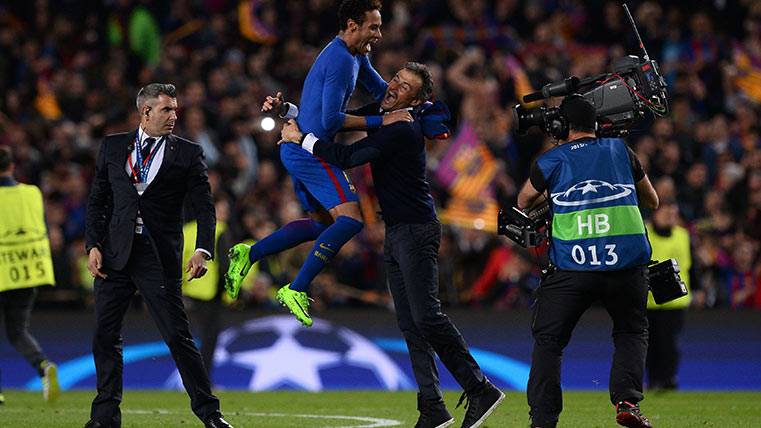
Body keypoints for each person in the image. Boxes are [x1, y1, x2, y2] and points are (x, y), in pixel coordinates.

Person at [280, 62, 504, 428]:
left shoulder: (402, 128)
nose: (394, 87)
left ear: (416, 100)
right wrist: (290, 113)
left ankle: (479, 388)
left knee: (427, 317)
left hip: (416, 232)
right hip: (399, 230)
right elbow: (337, 121)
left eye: (404, 87)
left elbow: (348, 157)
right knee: (411, 324)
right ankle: (432, 406)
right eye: (395, 80)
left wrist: (298, 139)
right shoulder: (386, 117)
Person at [225, 0, 411, 327]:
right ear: (352, 25)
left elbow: (383, 95)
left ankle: (249, 254)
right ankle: (296, 287)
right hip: (309, 152)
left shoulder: (354, 56)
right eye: (374, 26)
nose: (379, 34)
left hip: (301, 147)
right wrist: (387, 122)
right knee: (351, 221)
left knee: (324, 226)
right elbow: (331, 119)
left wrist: (415, 103)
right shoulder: (340, 60)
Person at [84, 83, 233, 428]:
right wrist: (92, 244)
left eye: (176, 110)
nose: (174, 116)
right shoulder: (112, 146)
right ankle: (105, 417)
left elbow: (205, 208)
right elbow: (97, 202)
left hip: (158, 257)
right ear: (146, 112)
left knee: (177, 337)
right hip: (114, 255)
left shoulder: (187, 153)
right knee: (105, 336)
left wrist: (202, 249)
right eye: (167, 110)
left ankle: (210, 413)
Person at [517, 94, 659, 428]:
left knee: (549, 342)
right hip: (626, 265)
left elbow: (523, 201)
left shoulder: (553, 159)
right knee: (631, 331)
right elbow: (652, 200)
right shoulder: (620, 150)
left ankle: (543, 420)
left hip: (572, 267)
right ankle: (627, 402)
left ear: (559, 126)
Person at [0, 146, 60, 405]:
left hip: (2, 272)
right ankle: (43, 366)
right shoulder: (32, 193)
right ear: (11, 166)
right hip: (28, 273)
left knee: (16, 331)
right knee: (17, 332)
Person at [181, 196, 236, 381]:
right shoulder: (220, 230)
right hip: (209, 293)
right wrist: (231, 295)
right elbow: (224, 266)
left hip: (188, 290)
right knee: (209, 338)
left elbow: (176, 261)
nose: (225, 214)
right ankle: (202, 380)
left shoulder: (187, 230)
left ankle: (191, 377)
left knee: (188, 338)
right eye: (222, 210)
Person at [645, 198, 692, 391]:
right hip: (649, 301)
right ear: (656, 213)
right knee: (649, 345)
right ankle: (654, 379)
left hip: (675, 301)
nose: (670, 217)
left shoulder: (683, 235)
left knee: (669, 344)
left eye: (673, 214)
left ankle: (668, 379)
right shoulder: (644, 231)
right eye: (666, 213)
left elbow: (690, 265)